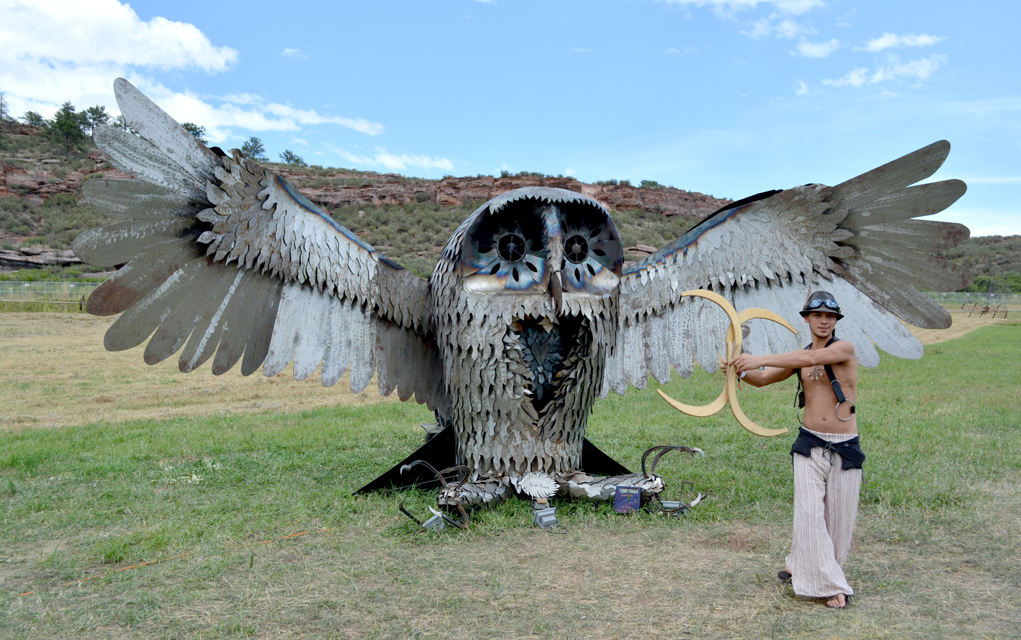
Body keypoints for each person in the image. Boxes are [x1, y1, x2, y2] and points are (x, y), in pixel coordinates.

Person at [722, 290, 862, 609]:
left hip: (845, 446)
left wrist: (759, 357)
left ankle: (802, 564)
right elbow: (764, 379)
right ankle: (829, 586)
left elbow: (811, 359)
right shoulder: (799, 357)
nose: (824, 321)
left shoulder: (843, 349)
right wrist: (739, 369)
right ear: (807, 319)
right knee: (809, 514)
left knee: (838, 518)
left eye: (830, 316)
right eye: (817, 316)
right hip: (810, 442)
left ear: (836, 321)